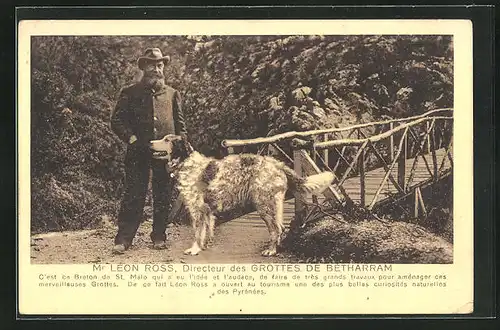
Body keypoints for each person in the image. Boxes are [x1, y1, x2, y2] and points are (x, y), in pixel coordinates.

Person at [110, 48, 188, 254]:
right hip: (138, 152)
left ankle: (159, 235)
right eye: (152, 64)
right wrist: (132, 139)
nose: (157, 69)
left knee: (162, 194)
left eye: (160, 64)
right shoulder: (130, 92)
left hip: (165, 154)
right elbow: (117, 121)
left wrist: (179, 146)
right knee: (134, 194)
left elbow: (181, 126)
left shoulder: (172, 94)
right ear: (144, 67)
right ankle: (124, 239)